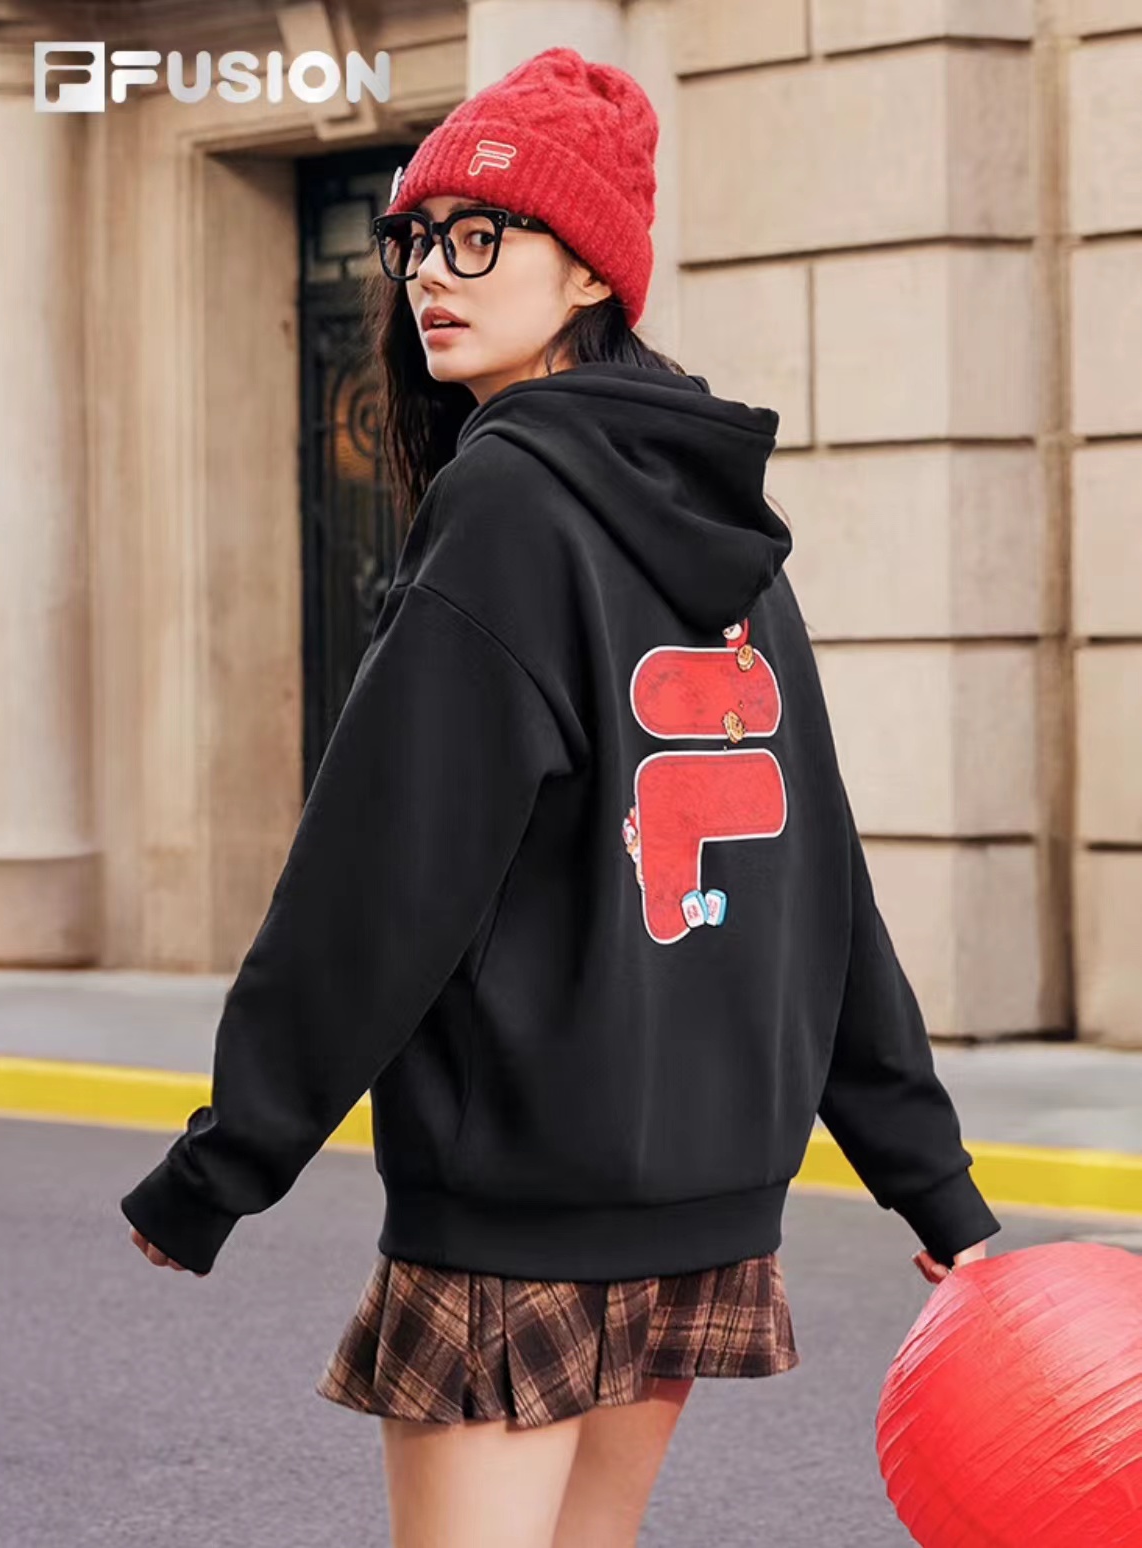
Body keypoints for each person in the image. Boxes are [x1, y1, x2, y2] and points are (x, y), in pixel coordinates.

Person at [121, 44, 1001, 1548]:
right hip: (704, 1204)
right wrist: (935, 1188)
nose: (428, 274)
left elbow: (384, 877)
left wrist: (227, 1162)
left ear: (591, 270)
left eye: (480, 236)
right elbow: (820, 882)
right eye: (413, 238)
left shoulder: (508, 504)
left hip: (520, 1198)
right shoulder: (724, 532)